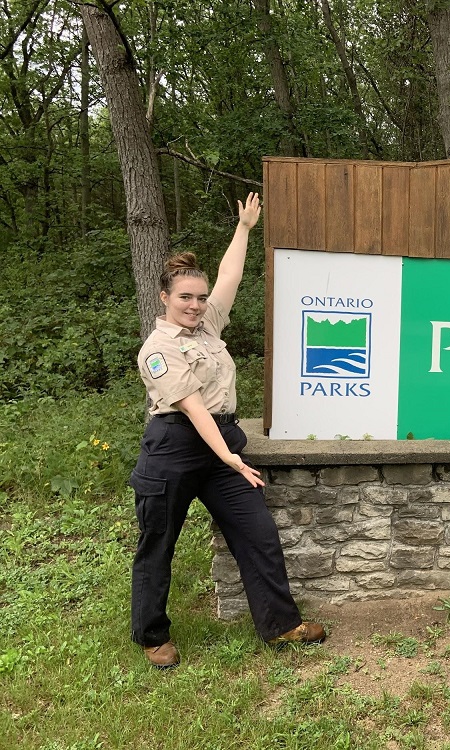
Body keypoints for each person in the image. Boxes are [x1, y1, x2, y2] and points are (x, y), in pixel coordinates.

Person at [130, 192, 325, 669]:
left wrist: (244, 229)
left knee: (258, 534)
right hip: (175, 450)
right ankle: (152, 635)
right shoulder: (157, 350)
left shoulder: (208, 329)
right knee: (158, 546)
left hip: (222, 449)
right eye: (185, 298)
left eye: (200, 297)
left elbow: (230, 278)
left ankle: (280, 626)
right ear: (164, 298)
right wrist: (232, 459)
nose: (196, 305)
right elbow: (194, 410)